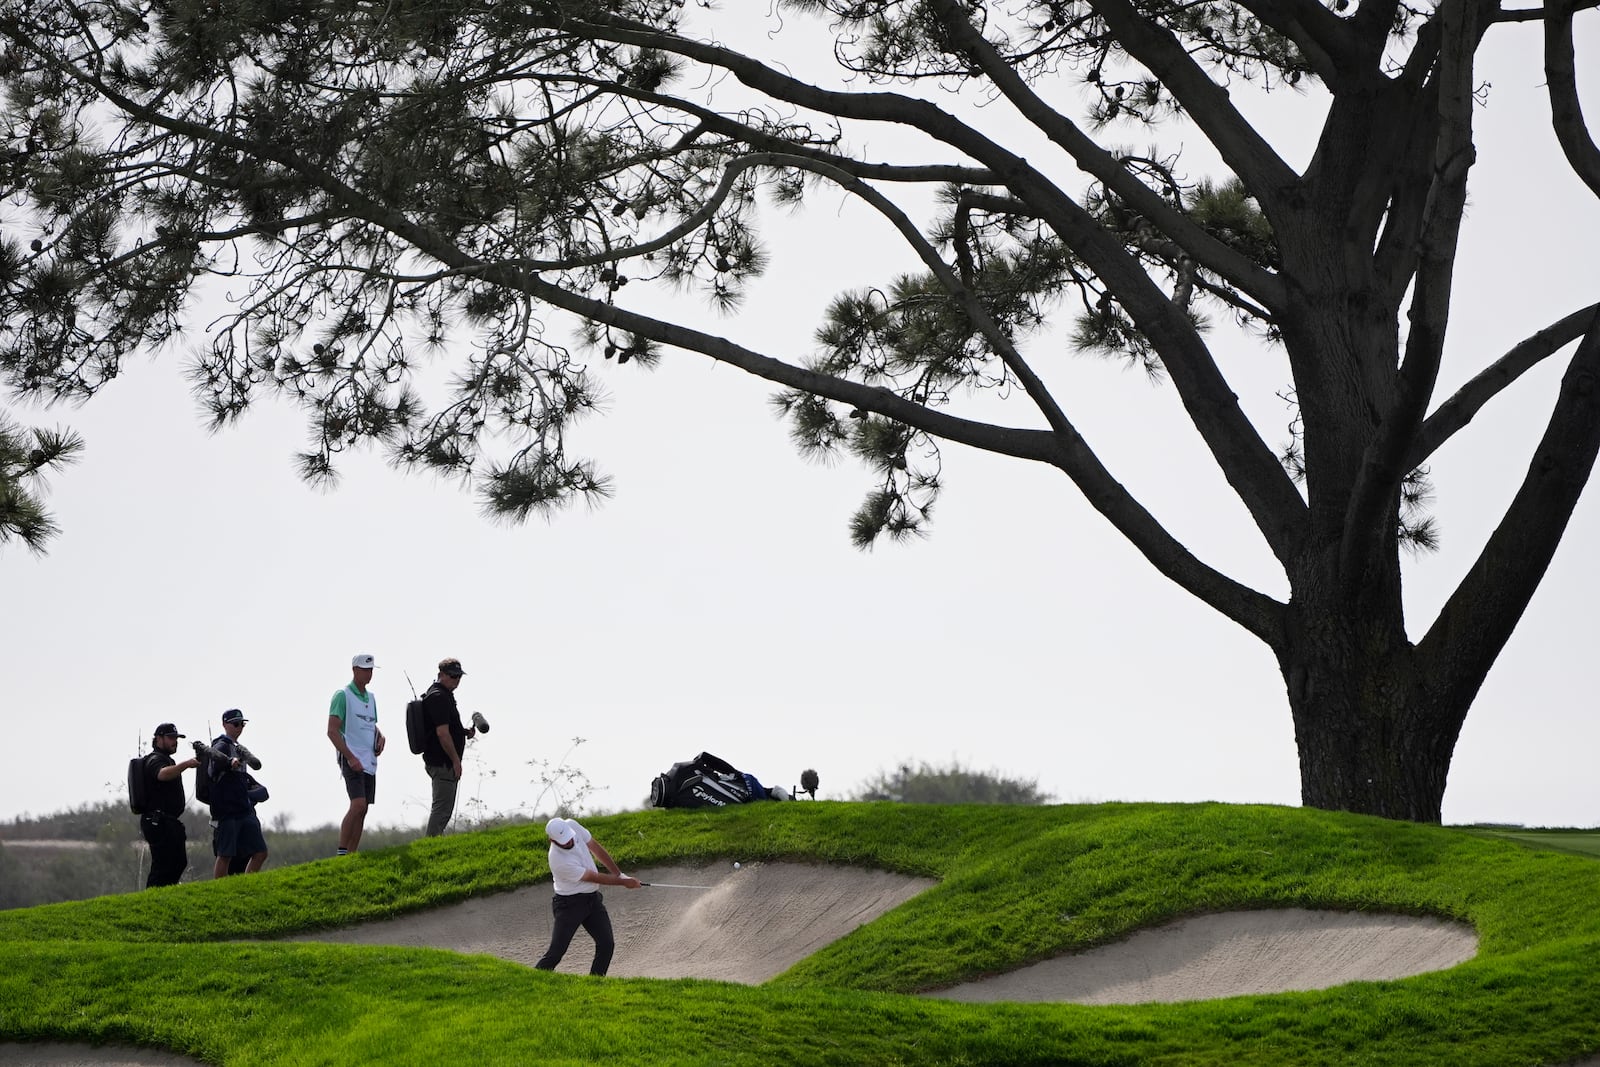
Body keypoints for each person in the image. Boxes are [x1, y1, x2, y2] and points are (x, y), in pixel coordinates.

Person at [534, 817, 641, 976]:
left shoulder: (572, 825)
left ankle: (595, 983)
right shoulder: (557, 860)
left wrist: (619, 874)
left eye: (569, 838)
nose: (569, 842)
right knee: (556, 952)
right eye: (564, 841)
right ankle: (534, 979)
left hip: (592, 899)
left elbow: (595, 848)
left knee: (606, 944)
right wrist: (623, 882)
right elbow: (595, 877)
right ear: (552, 840)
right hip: (569, 905)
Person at [328, 652, 385, 855]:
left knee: (364, 808)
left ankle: (352, 854)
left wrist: (380, 736)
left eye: (371, 670)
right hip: (351, 758)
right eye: (364, 670)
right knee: (358, 804)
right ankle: (342, 851)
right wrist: (350, 757)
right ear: (354, 670)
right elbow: (332, 731)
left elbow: (370, 725)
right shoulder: (342, 695)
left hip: (369, 759)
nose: (368, 674)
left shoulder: (371, 698)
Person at [207, 709, 269, 877]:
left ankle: (248, 884)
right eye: (235, 724)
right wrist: (229, 763)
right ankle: (220, 890)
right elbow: (212, 770)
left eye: (242, 724)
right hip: (227, 811)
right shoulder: (221, 745)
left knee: (260, 852)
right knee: (225, 855)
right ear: (225, 725)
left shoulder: (239, 748)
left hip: (243, 809)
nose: (239, 727)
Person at [420, 656, 475, 836]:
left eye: (459, 676)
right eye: (452, 676)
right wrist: (455, 761)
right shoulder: (439, 697)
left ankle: (433, 845)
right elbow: (442, 733)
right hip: (443, 763)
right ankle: (429, 847)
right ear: (441, 674)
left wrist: (463, 732)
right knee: (441, 811)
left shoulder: (444, 695)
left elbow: (447, 728)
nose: (456, 680)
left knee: (443, 811)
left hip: (443, 762)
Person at [139, 723, 199, 888]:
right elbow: (162, 774)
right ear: (158, 739)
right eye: (171, 738)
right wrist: (186, 764)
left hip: (167, 821)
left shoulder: (166, 759)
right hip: (157, 821)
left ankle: (165, 893)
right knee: (163, 866)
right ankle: (152, 899)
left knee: (178, 862)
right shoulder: (155, 759)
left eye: (176, 738)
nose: (175, 741)